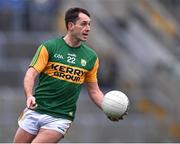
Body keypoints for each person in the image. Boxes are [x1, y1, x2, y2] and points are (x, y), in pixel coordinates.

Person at [13, 7, 125, 143]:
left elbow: (94, 91)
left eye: (89, 24)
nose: (88, 28)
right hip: (35, 110)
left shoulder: (91, 57)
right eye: (83, 24)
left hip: (60, 118)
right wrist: (29, 95)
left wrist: (108, 108)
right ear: (71, 26)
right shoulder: (49, 47)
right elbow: (30, 74)